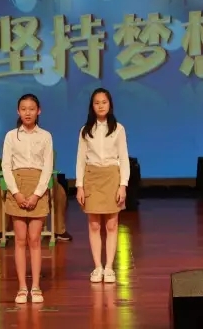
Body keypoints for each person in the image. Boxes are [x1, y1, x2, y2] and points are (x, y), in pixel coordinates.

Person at [1, 93, 53, 304]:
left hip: (37, 187)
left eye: (32, 109)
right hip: (17, 186)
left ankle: (36, 286)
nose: (28, 113)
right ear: (18, 111)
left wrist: (37, 194)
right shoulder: (11, 136)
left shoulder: (46, 136)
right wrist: (16, 192)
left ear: (39, 111)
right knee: (20, 240)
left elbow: (47, 167)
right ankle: (22, 287)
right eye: (23, 109)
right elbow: (6, 166)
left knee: (35, 240)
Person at [75, 88, 130, 284]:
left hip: (112, 176)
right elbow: (80, 160)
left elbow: (124, 158)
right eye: (97, 103)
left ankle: (109, 267)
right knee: (94, 224)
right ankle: (97, 267)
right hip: (92, 177)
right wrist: (79, 186)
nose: (100, 106)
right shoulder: (85, 130)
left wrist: (123, 185)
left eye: (104, 102)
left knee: (112, 224)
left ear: (110, 105)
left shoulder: (118, 129)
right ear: (92, 106)